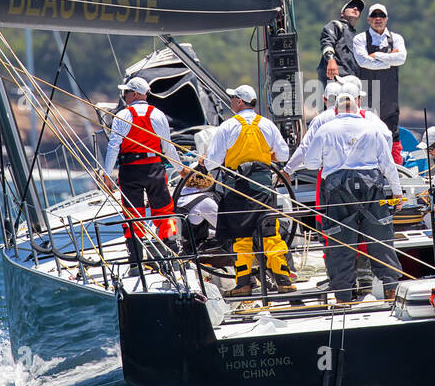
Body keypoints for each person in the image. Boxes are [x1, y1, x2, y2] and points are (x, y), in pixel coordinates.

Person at [303, 88, 403, 303]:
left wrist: (328, 160)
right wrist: (397, 192)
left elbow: (310, 162)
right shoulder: (372, 127)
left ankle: (343, 298)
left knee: (340, 243)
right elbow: (388, 164)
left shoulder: (325, 129)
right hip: (371, 186)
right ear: (358, 106)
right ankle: (391, 290)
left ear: (336, 110)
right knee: (380, 239)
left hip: (337, 189)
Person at [202, 84, 294, 295]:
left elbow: (212, 163)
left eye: (233, 98)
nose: (231, 101)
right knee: (270, 234)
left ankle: (243, 284)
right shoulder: (268, 125)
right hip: (263, 190)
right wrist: (267, 157)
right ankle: (284, 280)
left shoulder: (227, 126)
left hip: (238, 192)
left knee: (241, 238)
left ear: (240, 102)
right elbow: (283, 154)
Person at [101, 76, 183, 258]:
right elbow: (167, 146)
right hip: (155, 169)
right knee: (164, 213)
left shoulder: (122, 115)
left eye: (126, 92)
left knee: (133, 216)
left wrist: (107, 175)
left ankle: (136, 262)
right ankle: (173, 255)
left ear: (135, 94)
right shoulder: (158, 114)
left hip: (131, 171)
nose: (124, 96)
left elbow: (113, 146)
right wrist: (180, 169)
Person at [352, 3, 407, 162]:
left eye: (381, 15)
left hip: (390, 95)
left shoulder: (396, 38)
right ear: (368, 19)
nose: (378, 19)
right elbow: (363, 62)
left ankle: (395, 170)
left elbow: (402, 58)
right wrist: (390, 59)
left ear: (386, 19)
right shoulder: (360, 38)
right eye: (374, 16)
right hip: (368, 93)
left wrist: (376, 55)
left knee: (392, 134)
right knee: (366, 133)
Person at [318, 0, 364, 88]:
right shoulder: (336, 25)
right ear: (342, 13)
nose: (355, 9)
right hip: (334, 78)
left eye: (358, 9)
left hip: (352, 81)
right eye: (351, 6)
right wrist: (330, 60)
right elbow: (327, 42)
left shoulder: (358, 37)